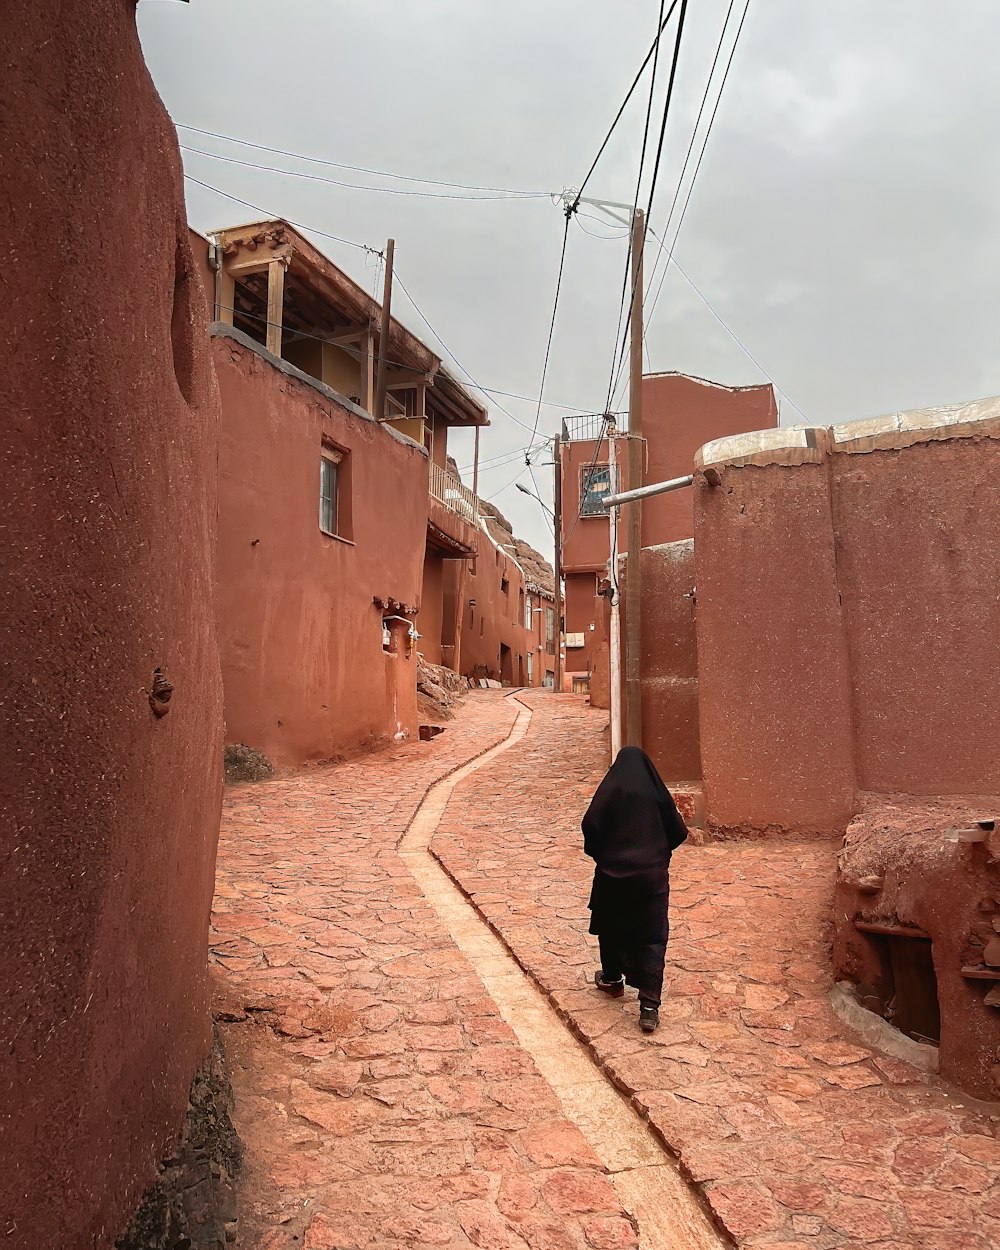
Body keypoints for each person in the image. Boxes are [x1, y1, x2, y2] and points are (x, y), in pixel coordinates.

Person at [582, 746, 688, 1034]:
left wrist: (604, 856)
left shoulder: (611, 789)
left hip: (611, 876)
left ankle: (613, 978)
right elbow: (679, 832)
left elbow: (590, 825)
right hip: (651, 880)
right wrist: (656, 856)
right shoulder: (655, 793)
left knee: (610, 925)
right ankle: (649, 1007)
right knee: (652, 937)